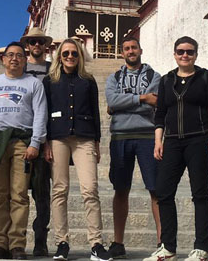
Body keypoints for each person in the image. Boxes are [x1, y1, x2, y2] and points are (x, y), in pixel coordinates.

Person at [145, 36, 208, 261]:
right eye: (181, 51)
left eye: (189, 52)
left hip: (199, 140)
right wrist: (158, 140)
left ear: (196, 54)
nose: (185, 55)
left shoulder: (206, 78)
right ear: (175, 54)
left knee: (200, 193)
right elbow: (160, 113)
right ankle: (167, 248)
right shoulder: (167, 80)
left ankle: (201, 248)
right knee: (163, 191)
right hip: (172, 142)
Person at [0, 42, 48, 260]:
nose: (14, 59)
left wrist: (36, 143)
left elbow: (40, 115)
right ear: (3, 60)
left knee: (19, 195)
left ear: (25, 61)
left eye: (19, 56)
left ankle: (17, 245)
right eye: (10, 55)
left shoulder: (33, 84)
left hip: (22, 143)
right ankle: (0, 244)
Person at [42, 38, 110, 261]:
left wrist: (98, 142)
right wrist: (46, 143)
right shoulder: (50, 81)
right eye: (65, 54)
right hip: (58, 137)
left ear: (80, 56)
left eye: (74, 54)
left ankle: (96, 243)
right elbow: (45, 112)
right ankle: (61, 242)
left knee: (90, 190)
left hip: (84, 137)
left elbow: (96, 112)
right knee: (60, 190)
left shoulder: (88, 80)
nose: (70, 57)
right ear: (59, 57)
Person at [105, 37, 162, 258]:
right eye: (126, 48)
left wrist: (122, 104)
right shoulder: (113, 78)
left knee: (155, 189)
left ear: (140, 50)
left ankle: (162, 240)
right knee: (121, 189)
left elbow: (154, 102)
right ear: (122, 53)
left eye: (134, 48)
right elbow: (112, 100)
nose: (131, 51)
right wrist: (142, 98)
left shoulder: (153, 76)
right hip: (120, 137)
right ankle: (118, 242)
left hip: (147, 136)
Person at [21, 27, 54, 256]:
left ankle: (40, 239)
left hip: (44, 138)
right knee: (18, 192)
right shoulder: (19, 71)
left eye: (40, 41)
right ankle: (16, 241)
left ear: (45, 45)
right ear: (28, 45)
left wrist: (48, 141)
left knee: (42, 193)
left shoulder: (53, 72)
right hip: (20, 136)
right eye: (33, 41)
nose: (36, 45)